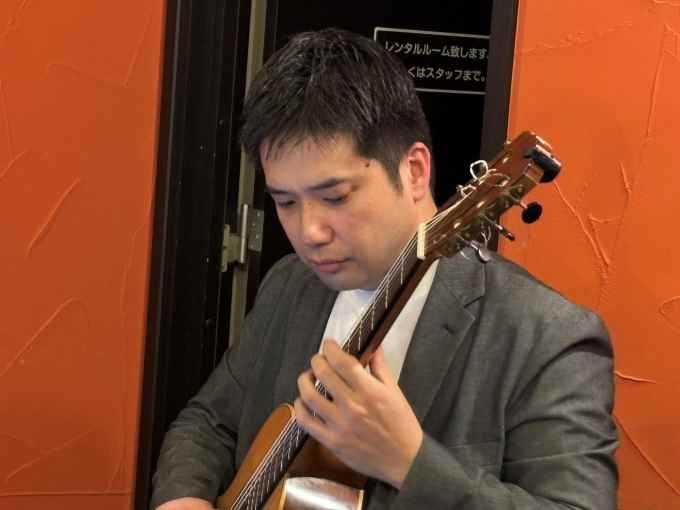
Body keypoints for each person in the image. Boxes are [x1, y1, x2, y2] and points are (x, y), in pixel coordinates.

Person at [151, 28, 618, 509]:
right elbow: (208, 422)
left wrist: (409, 461)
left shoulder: (546, 335)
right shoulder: (290, 284)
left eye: (335, 197)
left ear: (414, 171)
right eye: (286, 202)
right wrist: (183, 497)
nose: (309, 231)